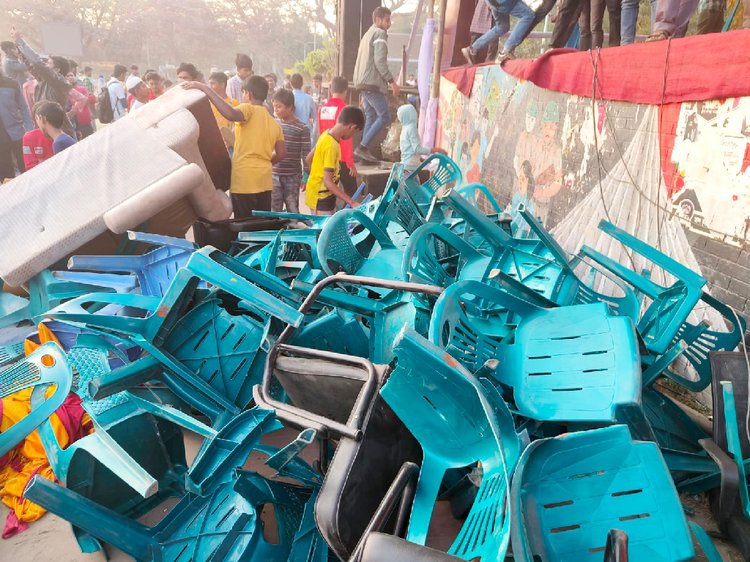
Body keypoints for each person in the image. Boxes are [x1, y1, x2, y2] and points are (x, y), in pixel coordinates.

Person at [182, 75, 285, 217]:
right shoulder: (274, 122)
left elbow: (230, 114)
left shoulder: (248, 109)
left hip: (244, 181)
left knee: (244, 227)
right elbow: (281, 153)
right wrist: (264, 162)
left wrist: (206, 89)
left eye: (243, 93)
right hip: (265, 181)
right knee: (262, 228)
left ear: (249, 94)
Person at [11, 28, 80, 137]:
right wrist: (18, 47)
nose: (46, 65)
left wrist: (21, 41)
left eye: (48, 64)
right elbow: (31, 65)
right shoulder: (45, 81)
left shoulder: (59, 83)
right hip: (48, 132)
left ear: (57, 70)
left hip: (61, 133)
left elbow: (37, 63)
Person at [353, 7, 400, 164]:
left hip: (362, 82)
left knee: (372, 116)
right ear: (378, 20)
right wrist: (392, 82)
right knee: (384, 115)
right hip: (371, 83)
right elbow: (380, 61)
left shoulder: (367, 34)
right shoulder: (379, 34)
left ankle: (363, 153)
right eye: (387, 20)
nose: (389, 24)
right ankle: (362, 147)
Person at [305, 106, 364, 214]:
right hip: (321, 198)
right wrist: (352, 202)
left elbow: (309, 158)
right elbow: (328, 182)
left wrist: (314, 177)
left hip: (321, 194)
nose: (352, 136)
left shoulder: (326, 134)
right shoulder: (331, 146)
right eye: (354, 133)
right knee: (323, 230)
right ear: (352, 127)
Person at [271, 89, 311, 213]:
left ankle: (293, 230)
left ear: (290, 107)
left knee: (292, 209)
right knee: (274, 210)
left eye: (279, 106)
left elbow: (306, 154)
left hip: (292, 176)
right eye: (274, 107)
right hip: (274, 174)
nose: (276, 110)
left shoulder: (302, 128)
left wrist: (306, 176)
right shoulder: (274, 124)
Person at [461, 0, 537, 63]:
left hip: (492, 2)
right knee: (528, 15)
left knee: (502, 27)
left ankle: (473, 49)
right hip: (502, 2)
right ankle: (506, 51)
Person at [318, 76, 357, 196]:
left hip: (326, 156)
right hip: (341, 158)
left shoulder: (322, 109)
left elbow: (321, 133)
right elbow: (346, 139)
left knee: (329, 191)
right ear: (346, 91)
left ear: (330, 90)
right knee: (352, 192)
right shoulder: (346, 110)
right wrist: (350, 163)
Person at [397, 103, 445, 173]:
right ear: (411, 115)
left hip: (406, 165)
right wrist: (435, 150)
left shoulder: (404, 129)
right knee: (414, 183)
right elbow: (417, 149)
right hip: (411, 167)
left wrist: (423, 160)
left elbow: (408, 150)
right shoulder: (411, 128)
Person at [0, 68, 26, 181]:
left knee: (26, 168)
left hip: (18, 133)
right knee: (6, 176)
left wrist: (29, 130)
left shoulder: (12, 83)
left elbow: (24, 108)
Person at [1, 41, 33, 131]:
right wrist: (24, 54)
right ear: (9, 50)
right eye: (15, 48)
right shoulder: (9, 62)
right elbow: (27, 66)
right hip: (17, 93)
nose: (17, 51)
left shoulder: (14, 60)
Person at [207, 71, 239, 149]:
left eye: (213, 83)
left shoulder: (234, 103)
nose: (209, 86)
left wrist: (230, 140)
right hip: (213, 144)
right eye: (209, 84)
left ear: (222, 84)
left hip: (231, 146)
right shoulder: (207, 104)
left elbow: (238, 126)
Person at [65, 70, 96, 138]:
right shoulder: (64, 92)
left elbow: (91, 99)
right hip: (75, 125)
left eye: (72, 75)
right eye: (68, 76)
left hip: (86, 122)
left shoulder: (82, 89)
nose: (70, 77)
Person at [290, 74, 315, 139]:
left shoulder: (288, 97)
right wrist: (314, 137)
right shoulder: (309, 98)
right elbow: (315, 118)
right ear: (302, 83)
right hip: (306, 132)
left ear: (291, 84)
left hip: (292, 132)